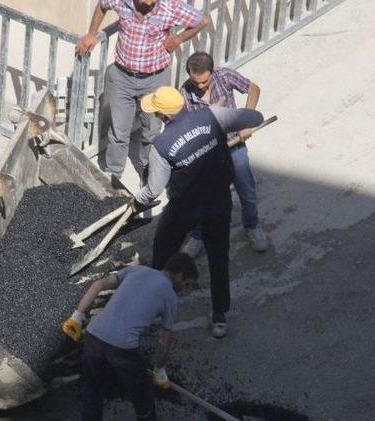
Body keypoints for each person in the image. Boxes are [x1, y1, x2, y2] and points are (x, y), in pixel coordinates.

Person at [133, 86, 264, 339]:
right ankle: (219, 316)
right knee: (218, 256)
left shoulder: (161, 146)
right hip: (218, 201)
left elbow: (153, 191)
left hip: (184, 209)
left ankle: (152, 306)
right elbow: (254, 118)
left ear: (163, 116)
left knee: (162, 252)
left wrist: (136, 201)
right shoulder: (211, 115)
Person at [61, 253, 199, 421]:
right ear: (178, 276)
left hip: (93, 336)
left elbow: (97, 285)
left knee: (92, 389)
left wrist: (76, 317)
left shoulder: (136, 270)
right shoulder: (169, 295)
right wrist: (159, 369)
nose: (185, 289)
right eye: (186, 284)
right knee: (142, 393)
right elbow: (164, 339)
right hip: (122, 348)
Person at [76, 0, 209, 186]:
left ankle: (147, 174)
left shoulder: (169, 6)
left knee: (151, 132)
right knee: (118, 133)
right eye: (145, 1)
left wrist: (178, 38)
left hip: (154, 79)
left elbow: (202, 21)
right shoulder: (120, 1)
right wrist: (91, 34)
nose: (149, 4)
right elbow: (102, 5)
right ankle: (112, 178)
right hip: (122, 77)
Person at [180, 51, 268, 254]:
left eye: (204, 82)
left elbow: (253, 89)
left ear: (212, 72)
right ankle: (197, 236)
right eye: (196, 82)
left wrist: (247, 119)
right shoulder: (184, 93)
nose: (200, 86)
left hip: (234, 147)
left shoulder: (225, 76)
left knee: (247, 192)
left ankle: (252, 226)